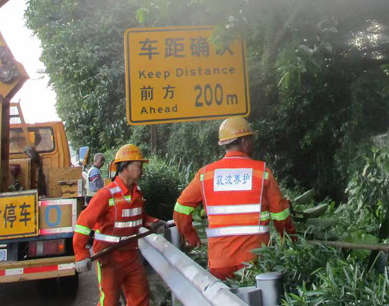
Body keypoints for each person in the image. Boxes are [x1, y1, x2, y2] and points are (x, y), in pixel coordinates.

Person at [173, 117, 296, 280]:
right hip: (255, 258)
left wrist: (190, 235)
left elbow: (181, 209)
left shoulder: (206, 175)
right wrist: (289, 239)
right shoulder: (261, 172)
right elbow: (280, 214)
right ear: (245, 142)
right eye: (251, 139)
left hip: (220, 260)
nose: (252, 143)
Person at [72, 144, 166, 306]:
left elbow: (138, 217)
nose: (142, 169)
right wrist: (81, 254)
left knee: (140, 299)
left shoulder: (136, 193)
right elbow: (83, 224)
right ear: (125, 167)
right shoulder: (106, 195)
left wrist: (152, 222)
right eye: (139, 165)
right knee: (109, 302)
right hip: (109, 257)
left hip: (131, 256)